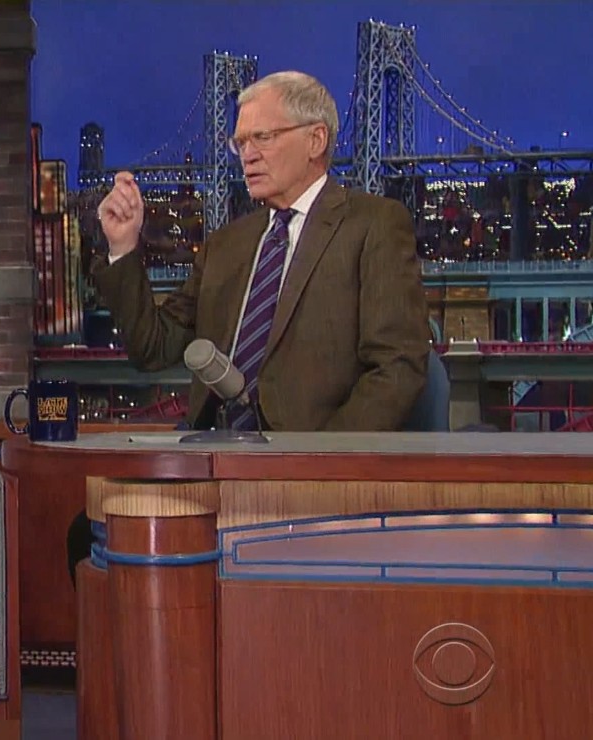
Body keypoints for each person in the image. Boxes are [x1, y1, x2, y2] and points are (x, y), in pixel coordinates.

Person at [67, 70, 430, 582]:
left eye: (262, 137)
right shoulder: (229, 243)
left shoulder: (373, 225)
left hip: (307, 473)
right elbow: (154, 347)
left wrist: (315, 464)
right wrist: (124, 246)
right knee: (87, 533)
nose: (247, 155)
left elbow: (397, 368)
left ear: (315, 140)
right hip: (213, 463)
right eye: (240, 143)